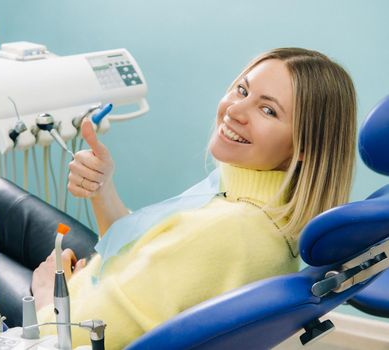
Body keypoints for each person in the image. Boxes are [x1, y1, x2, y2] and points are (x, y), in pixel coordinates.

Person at [31, 47, 357, 349]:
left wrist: (47, 296)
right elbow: (152, 258)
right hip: (93, 285)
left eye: (268, 110)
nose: (235, 110)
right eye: (242, 90)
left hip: (62, 323)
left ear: (303, 148)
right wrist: (102, 190)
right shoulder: (253, 208)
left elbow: (82, 332)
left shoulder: (227, 231)